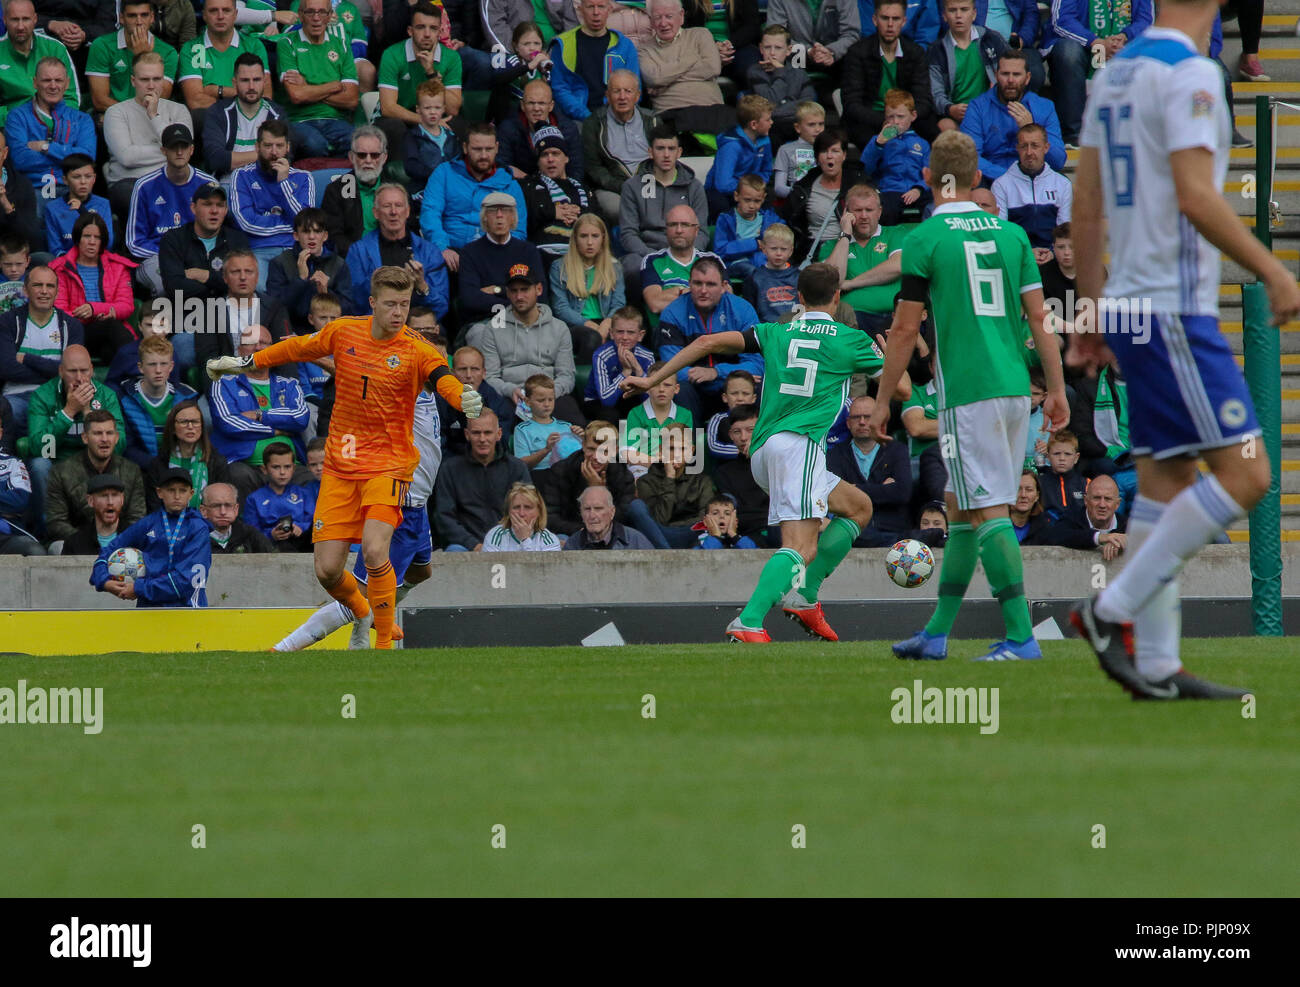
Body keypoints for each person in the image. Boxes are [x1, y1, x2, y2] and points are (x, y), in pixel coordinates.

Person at [1067, 0, 1300, 699]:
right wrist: (1273, 267)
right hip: (1172, 307)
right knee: (1249, 474)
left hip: (1134, 306)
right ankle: (1108, 610)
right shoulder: (1192, 73)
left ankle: (1160, 664)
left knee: (1165, 484)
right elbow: (1198, 198)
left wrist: (1089, 310)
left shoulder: (1115, 71)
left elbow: (1086, 203)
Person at [865, 129, 1069, 663]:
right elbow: (1040, 321)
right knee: (959, 510)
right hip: (1014, 390)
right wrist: (1058, 389)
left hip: (968, 394)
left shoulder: (924, 241)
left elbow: (905, 331)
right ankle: (935, 634)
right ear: (978, 178)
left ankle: (1023, 638)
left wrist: (884, 399)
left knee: (987, 511)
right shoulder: (1013, 236)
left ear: (928, 178)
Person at [206, 265, 483, 648]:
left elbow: (441, 376)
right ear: (373, 303)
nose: (399, 313)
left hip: (389, 465)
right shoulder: (345, 331)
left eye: (404, 304)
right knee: (329, 570)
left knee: (373, 551)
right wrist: (246, 363)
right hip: (342, 465)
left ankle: (383, 645)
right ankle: (364, 612)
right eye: (391, 305)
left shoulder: (415, 348)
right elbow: (297, 347)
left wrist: (462, 395)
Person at [624, 263, 895, 642]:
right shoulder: (851, 339)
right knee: (801, 546)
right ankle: (748, 621)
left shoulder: (775, 330)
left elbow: (705, 344)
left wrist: (651, 378)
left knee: (858, 506)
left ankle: (805, 595)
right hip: (798, 447)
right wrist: (891, 355)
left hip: (763, 449)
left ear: (798, 297)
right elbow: (899, 391)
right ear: (837, 297)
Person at [273, 368, 445, 650]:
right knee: (361, 596)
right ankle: (283, 649)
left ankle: (373, 613)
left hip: (419, 506)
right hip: (397, 501)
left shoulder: (430, 393)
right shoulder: (397, 396)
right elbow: (360, 373)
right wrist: (316, 355)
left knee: (420, 572)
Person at [208, 323, 311, 502]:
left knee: (311, 479)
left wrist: (260, 415)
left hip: (290, 468)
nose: (258, 347)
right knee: (237, 475)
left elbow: (300, 418)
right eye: (251, 343)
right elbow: (228, 423)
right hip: (246, 466)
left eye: (264, 343)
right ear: (239, 351)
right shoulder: (224, 382)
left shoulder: (289, 384)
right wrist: (276, 430)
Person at [472, 262, 584, 425]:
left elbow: (566, 375)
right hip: (511, 395)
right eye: (514, 291)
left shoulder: (559, 328)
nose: (519, 296)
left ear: (538, 289)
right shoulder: (493, 328)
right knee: (492, 421)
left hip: (550, 396)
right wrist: (510, 390)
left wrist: (548, 394)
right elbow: (490, 376)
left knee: (576, 424)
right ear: (508, 294)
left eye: (524, 290)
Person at [91, 467, 212, 608]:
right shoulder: (148, 524)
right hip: (149, 610)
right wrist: (104, 581)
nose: (177, 496)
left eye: (182, 490)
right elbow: (107, 551)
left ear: (191, 494)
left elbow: (189, 581)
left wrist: (139, 588)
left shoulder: (198, 528)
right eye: (171, 490)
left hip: (188, 610)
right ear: (159, 492)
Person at [657, 256, 763, 415]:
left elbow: (755, 365)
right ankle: (691, 440)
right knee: (679, 390)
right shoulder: (672, 313)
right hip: (693, 387)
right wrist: (697, 375)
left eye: (711, 284)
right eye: (697, 283)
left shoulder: (742, 310)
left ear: (723, 286)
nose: (703, 290)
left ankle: (754, 439)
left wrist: (716, 373)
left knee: (760, 386)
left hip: (732, 387)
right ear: (689, 284)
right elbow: (670, 367)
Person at [1045, 0, 1152, 148]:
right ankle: (1074, 133)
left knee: (1152, 53)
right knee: (1068, 53)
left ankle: (1137, 132)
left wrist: (1123, 37)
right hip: (1082, 43)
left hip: (1124, 44)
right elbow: (1062, 19)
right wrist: (1096, 42)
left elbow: (1146, 20)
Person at [420, 123, 528, 268]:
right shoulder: (444, 173)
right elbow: (430, 214)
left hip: (493, 255)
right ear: (465, 148)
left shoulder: (509, 183)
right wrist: (441, 248)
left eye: (489, 149)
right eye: (477, 149)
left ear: (496, 148)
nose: (483, 155)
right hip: (450, 253)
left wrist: (501, 253)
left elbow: (518, 229)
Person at [126, 124, 217, 296]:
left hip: (199, 257)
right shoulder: (144, 186)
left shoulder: (208, 184)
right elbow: (134, 242)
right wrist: (171, 256)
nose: (179, 152)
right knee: (167, 286)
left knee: (219, 284)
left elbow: (217, 234)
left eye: (184, 147)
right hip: (156, 257)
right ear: (163, 151)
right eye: (174, 147)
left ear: (192, 150)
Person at [618, 126, 709, 291]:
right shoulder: (632, 186)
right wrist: (653, 257)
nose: (666, 155)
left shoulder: (695, 187)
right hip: (644, 252)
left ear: (679, 152)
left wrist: (684, 255)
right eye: (660, 148)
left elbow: (701, 232)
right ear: (650, 152)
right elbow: (628, 233)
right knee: (631, 266)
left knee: (710, 269)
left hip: (684, 251)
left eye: (671, 149)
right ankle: (638, 315)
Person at [103, 52, 192, 220]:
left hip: (171, 180)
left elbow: (184, 155)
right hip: (130, 183)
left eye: (157, 79)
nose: (151, 86)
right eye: (144, 80)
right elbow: (127, 157)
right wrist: (169, 153)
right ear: (133, 81)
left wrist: (154, 116)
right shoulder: (116, 112)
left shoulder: (179, 110)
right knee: (134, 195)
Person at [345, 183, 449, 321]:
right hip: (375, 325)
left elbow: (441, 308)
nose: (393, 212)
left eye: (398, 205)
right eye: (387, 206)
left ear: (407, 212)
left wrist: (422, 285)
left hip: (417, 328)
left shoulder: (429, 252)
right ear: (376, 213)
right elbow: (353, 305)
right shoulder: (359, 251)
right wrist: (376, 282)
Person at [841, 0, 938, 148]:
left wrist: (903, 119)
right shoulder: (857, 52)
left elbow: (924, 100)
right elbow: (852, 104)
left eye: (896, 19)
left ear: (904, 21)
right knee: (874, 141)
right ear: (875, 20)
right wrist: (888, 120)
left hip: (906, 118)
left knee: (935, 135)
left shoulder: (915, 53)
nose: (890, 24)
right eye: (885, 18)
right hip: (869, 120)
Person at [230, 119, 315, 286]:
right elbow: (246, 223)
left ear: (288, 147)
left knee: (303, 291)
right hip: (259, 250)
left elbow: (306, 223)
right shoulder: (241, 176)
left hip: (294, 250)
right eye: (268, 146)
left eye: (279, 146)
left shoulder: (304, 177)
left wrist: (283, 183)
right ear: (257, 147)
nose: (274, 152)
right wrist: (288, 224)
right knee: (260, 293)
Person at [433, 408, 530, 551]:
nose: (482, 439)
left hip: (510, 542)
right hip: (466, 546)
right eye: (476, 433)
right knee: (455, 551)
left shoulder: (517, 468)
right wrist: (474, 545)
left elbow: (528, 510)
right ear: (467, 434)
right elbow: (444, 516)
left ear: (498, 434)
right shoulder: (450, 470)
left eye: (488, 433)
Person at [960, 50, 1064, 182]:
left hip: (1033, 179)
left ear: (1027, 78)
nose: (1010, 80)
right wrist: (1010, 179)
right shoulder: (977, 107)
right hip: (990, 180)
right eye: (1005, 74)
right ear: (996, 75)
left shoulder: (1044, 107)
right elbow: (970, 158)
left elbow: (1058, 161)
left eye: (1016, 74)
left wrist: (1030, 128)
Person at [43, 408, 144, 544]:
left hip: (120, 543)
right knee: (58, 547)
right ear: (85, 437)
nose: (104, 439)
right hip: (76, 543)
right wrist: (89, 541)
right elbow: (56, 522)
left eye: (109, 433)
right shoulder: (61, 472)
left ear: (116, 438)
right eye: (97, 433)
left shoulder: (132, 470)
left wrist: (114, 542)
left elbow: (136, 518)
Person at [0, 266, 83, 429]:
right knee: (9, 413)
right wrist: (57, 372)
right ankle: (9, 454)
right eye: (38, 285)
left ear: (57, 292)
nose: (44, 291)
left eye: (50, 286)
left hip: (58, 397)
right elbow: (7, 369)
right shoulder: (7, 322)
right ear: (25, 290)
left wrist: (28, 359)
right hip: (17, 396)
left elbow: (74, 372)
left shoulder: (72, 326)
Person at [49, 213, 138, 363]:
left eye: (97, 238)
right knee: (112, 328)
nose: (92, 242)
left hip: (107, 333)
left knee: (110, 352)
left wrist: (94, 309)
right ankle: (137, 373)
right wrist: (86, 315)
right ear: (78, 238)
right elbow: (59, 311)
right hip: (75, 332)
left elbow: (126, 306)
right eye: (86, 236)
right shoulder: (61, 268)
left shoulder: (118, 267)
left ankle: (124, 382)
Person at [377, 0, 464, 150]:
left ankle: (450, 171)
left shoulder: (451, 58)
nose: (427, 34)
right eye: (420, 27)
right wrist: (424, 121)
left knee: (458, 124)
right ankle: (400, 172)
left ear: (440, 31)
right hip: (401, 117)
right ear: (410, 31)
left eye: (433, 28)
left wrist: (431, 73)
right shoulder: (392, 54)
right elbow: (388, 107)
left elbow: (452, 109)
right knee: (392, 125)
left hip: (434, 114)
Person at [276, 0, 359, 158]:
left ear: (329, 16)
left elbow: (352, 99)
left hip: (336, 120)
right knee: (315, 144)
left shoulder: (341, 44)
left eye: (322, 12)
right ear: (301, 15)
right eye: (310, 12)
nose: (316, 18)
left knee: (357, 141)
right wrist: (333, 86)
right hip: (299, 121)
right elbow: (297, 96)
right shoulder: (286, 43)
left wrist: (307, 86)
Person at [818, 183, 904, 334]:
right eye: (858, 210)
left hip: (895, 319)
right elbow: (833, 280)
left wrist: (851, 283)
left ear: (879, 212)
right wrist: (845, 234)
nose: (864, 216)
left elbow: (897, 266)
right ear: (846, 213)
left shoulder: (895, 233)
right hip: (853, 323)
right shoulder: (831, 246)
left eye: (869, 210)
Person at [827, 394, 913, 546]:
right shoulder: (835, 454)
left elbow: (902, 492)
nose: (861, 422)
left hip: (891, 530)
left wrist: (854, 489)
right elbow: (837, 497)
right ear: (848, 423)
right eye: (856, 417)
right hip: (852, 532)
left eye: (867, 417)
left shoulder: (897, 450)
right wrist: (882, 490)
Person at [3, 57, 94, 199]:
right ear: (35, 83)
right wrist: (68, 156)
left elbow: (86, 159)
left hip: (72, 190)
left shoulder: (82, 119)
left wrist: (46, 148)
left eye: (58, 80)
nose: (53, 86)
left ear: (67, 84)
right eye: (46, 80)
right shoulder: (17, 116)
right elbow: (20, 159)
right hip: (31, 190)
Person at [455, 192, 546, 326]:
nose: (499, 215)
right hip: (485, 322)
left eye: (505, 210)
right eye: (492, 211)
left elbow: (540, 296)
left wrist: (498, 290)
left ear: (513, 217)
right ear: (485, 217)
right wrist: (519, 303)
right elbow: (470, 299)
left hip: (524, 322)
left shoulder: (529, 251)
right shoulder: (470, 252)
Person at [193, 249, 293, 369]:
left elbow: (284, 354)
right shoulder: (209, 311)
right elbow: (208, 360)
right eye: (235, 272)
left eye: (249, 271)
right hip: (227, 381)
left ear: (257, 277)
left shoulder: (275, 308)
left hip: (267, 379)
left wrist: (285, 386)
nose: (243, 277)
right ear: (225, 277)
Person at [581, 69, 657, 226]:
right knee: (619, 210)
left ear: (637, 96)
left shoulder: (653, 121)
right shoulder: (594, 123)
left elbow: (663, 158)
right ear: (607, 95)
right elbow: (593, 168)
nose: (622, 97)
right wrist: (623, 187)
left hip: (648, 185)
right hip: (612, 189)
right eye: (616, 91)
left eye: (628, 91)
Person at [158, 182, 250, 311]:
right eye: (207, 204)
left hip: (228, 316)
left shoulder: (237, 240)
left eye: (220, 205)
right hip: (187, 317)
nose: (214, 211)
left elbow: (243, 284)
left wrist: (204, 275)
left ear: (226, 210)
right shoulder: (173, 239)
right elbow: (174, 287)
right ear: (193, 208)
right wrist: (219, 285)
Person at [638, 0, 727, 131]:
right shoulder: (644, 49)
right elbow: (655, 79)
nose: (663, 23)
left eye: (669, 16)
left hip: (711, 109)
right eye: (657, 17)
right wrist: (692, 58)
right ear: (650, 21)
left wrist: (665, 82)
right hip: (671, 114)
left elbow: (712, 68)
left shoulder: (701, 35)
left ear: (681, 16)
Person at [540, 419, 640, 536]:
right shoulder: (561, 471)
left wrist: (600, 491)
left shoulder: (623, 476)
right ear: (583, 446)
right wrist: (582, 531)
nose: (596, 457)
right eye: (591, 449)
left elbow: (623, 517)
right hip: (571, 533)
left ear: (615, 451)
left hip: (609, 535)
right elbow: (549, 516)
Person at [178, 0, 272, 120]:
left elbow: (265, 96)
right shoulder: (192, 49)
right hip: (212, 120)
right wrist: (244, 96)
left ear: (235, 14)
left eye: (226, 10)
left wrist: (218, 90)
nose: (220, 16)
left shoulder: (254, 46)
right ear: (204, 15)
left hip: (251, 121)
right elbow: (196, 101)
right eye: (213, 11)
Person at [782, 129, 864, 266]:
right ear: (817, 157)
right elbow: (790, 223)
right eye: (824, 151)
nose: (829, 156)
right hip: (815, 251)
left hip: (852, 248)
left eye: (835, 151)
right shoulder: (803, 187)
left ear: (844, 155)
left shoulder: (859, 183)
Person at [548, 0, 640, 122]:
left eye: (601, 6)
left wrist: (611, 116)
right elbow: (560, 88)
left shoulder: (624, 45)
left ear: (609, 10)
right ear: (581, 10)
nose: (596, 12)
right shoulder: (563, 44)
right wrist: (587, 117)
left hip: (617, 117)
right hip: (576, 118)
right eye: (590, 6)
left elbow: (635, 88)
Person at [201, 52, 288, 181]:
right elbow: (216, 159)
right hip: (228, 184)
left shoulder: (277, 114)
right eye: (245, 80)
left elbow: (286, 156)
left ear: (264, 81)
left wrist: (235, 158)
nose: (251, 86)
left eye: (256, 80)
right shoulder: (218, 112)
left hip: (267, 184)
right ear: (234, 82)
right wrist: (268, 154)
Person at [267, 207, 353, 334]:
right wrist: (300, 280)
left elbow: (349, 310)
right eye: (306, 232)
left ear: (325, 236)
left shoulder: (338, 264)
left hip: (328, 333)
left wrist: (326, 293)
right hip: (291, 333)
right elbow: (274, 308)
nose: (312, 237)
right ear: (296, 235)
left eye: (317, 232)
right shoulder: (279, 263)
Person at [550, 213, 626, 353]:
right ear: (575, 239)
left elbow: (619, 304)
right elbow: (561, 308)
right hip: (576, 325)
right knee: (591, 338)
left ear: (603, 238)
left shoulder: (614, 267)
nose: (589, 242)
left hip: (606, 322)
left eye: (595, 236)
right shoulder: (559, 267)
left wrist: (607, 323)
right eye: (584, 236)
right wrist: (588, 324)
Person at [119, 335, 198, 470]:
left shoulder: (187, 397)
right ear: (141, 367)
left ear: (171, 366)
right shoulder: (125, 397)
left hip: (178, 468)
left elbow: (191, 442)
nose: (158, 370)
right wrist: (157, 466)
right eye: (152, 364)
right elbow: (127, 447)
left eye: (163, 364)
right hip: (141, 469)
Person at [86, 0, 180, 113]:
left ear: (152, 17)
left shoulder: (168, 52)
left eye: (144, 15)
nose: (139, 22)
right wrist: (131, 116)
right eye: (132, 16)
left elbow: (161, 98)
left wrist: (144, 57)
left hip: (150, 117)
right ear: (121, 18)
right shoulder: (101, 46)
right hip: (113, 114)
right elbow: (100, 101)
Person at [992, 123, 1071, 257]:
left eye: (1035, 146)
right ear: (1017, 148)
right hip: (1017, 257)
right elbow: (1002, 232)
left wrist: (1052, 254)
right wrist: (1027, 253)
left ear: (1046, 148)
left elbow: (1064, 230)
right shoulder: (1001, 184)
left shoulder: (1062, 183)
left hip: (1053, 258)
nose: (1029, 152)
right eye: (1024, 146)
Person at [0, 1, 81, 129]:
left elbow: (72, 98)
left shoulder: (55, 48)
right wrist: (21, 119)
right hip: (11, 127)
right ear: (4, 20)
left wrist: (51, 122)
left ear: (35, 19)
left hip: (56, 125)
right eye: (15, 20)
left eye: (25, 19)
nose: (20, 26)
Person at [635, 421, 715, 547]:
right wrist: (669, 477)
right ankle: (666, 551)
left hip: (691, 534)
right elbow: (659, 520)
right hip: (659, 535)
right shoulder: (646, 481)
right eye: (671, 448)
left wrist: (677, 526)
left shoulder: (702, 481)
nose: (677, 454)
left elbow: (705, 519)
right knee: (636, 507)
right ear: (661, 450)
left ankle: (666, 551)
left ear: (691, 451)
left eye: (682, 448)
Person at [860, 89, 932, 226]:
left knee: (934, 206)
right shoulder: (878, 140)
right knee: (886, 209)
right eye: (890, 117)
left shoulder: (922, 144)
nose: (895, 122)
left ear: (913, 116)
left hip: (916, 190)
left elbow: (930, 172)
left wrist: (919, 189)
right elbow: (865, 169)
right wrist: (878, 144)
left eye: (900, 116)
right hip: (891, 190)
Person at [520, 130, 592, 264]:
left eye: (556, 153)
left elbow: (599, 220)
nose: (550, 159)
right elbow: (524, 219)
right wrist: (552, 212)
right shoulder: (528, 186)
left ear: (566, 158)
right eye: (544, 155)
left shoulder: (583, 188)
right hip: (544, 253)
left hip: (582, 251)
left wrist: (580, 214)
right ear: (538, 162)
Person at [319, 127, 389, 261]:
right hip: (352, 259)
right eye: (362, 155)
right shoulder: (336, 190)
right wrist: (360, 255)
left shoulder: (395, 190)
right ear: (351, 157)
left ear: (384, 157)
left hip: (389, 258)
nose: (368, 160)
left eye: (374, 155)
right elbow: (333, 236)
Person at [148, 399, 230, 509]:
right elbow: (154, 507)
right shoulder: (158, 464)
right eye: (184, 422)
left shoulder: (217, 462)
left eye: (195, 421)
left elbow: (220, 505)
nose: (190, 426)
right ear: (172, 428)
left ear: (202, 426)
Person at [498, 79, 584, 182]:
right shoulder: (508, 129)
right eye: (531, 103)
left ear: (551, 106)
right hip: (522, 188)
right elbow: (502, 166)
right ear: (522, 106)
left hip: (561, 189)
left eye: (542, 103)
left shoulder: (567, 129)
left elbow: (576, 170)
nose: (536, 108)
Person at [704, 96, 774, 223]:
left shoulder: (765, 141)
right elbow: (723, 184)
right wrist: (747, 190)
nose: (772, 122)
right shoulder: (731, 145)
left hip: (749, 189)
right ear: (754, 124)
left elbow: (767, 170)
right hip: (723, 192)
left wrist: (755, 187)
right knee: (720, 205)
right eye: (768, 119)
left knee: (770, 197)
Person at [439, 344, 516, 456]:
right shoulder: (440, 402)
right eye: (462, 369)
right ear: (452, 373)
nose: (469, 375)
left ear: (484, 373)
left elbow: (501, 446)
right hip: (453, 467)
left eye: (474, 369)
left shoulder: (499, 404)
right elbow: (441, 446)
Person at [747, 25, 816, 144]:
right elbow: (770, 101)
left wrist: (778, 108)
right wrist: (780, 72)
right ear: (761, 49)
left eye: (778, 48)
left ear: (789, 50)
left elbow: (808, 106)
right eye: (767, 47)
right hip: (770, 128)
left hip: (796, 126)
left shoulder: (800, 74)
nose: (772, 53)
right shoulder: (755, 72)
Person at [243, 440, 315, 551]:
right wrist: (270, 534)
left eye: (287, 467)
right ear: (264, 469)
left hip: (302, 542)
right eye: (276, 467)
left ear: (294, 468)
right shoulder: (254, 499)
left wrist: (300, 526)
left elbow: (312, 520)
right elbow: (251, 531)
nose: (282, 472)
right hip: (270, 546)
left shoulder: (304, 494)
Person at [585, 305, 652, 414]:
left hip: (630, 399)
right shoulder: (601, 355)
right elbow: (607, 401)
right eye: (620, 331)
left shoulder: (647, 356)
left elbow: (651, 400)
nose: (625, 337)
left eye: (631, 332)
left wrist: (638, 370)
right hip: (597, 402)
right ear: (611, 333)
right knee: (610, 413)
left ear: (640, 335)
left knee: (642, 411)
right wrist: (625, 372)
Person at [45, 153, 114, 257]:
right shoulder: (53, 208)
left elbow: (107, 244)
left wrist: (84, 213)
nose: (83, 182)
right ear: (65, 180)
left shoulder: (102, 204)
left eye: (88, 176)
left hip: (96, 261)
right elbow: (55, 249)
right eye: (76, 177)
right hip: (66, 264)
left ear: (94, 179)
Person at [512, 373, 584, 470]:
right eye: (541, 400)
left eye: (551, 399)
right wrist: (546, 450)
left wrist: (582, 439)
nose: (547, 404)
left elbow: (579, 458)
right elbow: (522, 465)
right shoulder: (522, 430)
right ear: (528, 402)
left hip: (566, 474)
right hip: (540, 474)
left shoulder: (567, 426)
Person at [765, 0, 860, 73]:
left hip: (835, 57)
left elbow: (851, 34)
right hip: (796, 56)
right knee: (776, 55)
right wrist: (808, 51)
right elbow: (775, 36)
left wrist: (831, 51)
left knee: (856, 58)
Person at [403, 79, 459, 196]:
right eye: (427, 108)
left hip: (450, 187)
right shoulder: (412, 136)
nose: (433, 112)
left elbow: (459, 161)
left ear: (444, 109)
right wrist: (438, 174)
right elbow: (411, 166)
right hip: (422, 188)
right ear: (418, 109)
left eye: (437, 108)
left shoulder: (451, 136)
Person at [562, 483, 654, 549]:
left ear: (612, 512)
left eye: (598, 508)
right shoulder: (573, 544)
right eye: (587, 509)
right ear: (581, 513)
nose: (592, 515)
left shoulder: (635, 541)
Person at [60, 472, 128, 556]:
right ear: (90, 501)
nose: (110, 502)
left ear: (122, 499)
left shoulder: (137, 539)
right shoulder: (75, 542)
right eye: (103, 496)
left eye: (114, 495)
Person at [482, 481, 564, 550]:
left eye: (528, 507)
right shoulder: (495, 536)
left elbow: (541, 569)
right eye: (516, 507)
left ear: (539, 511)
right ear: (508, 512)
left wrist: (525, 540)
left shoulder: (550, 540)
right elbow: (492, 568)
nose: (521, 513)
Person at [744, 224, 800, 323]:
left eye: (783, 249)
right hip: (767, 331)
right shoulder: (754, 278)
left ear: (791, 250)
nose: (778, 253)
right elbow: (750, 312)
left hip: (795, 330)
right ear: (764, 249)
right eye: (773, 248)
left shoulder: (799, 277)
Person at [201, 480, 275, 554]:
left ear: (236, 509)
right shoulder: (194, 538)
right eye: (216, 506)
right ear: (203, 511)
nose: (223, 512)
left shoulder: (249, 534)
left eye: (228, 505)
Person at [772, 101, 824, 200]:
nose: (818, 129)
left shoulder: (829, 149)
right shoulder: (785, 150)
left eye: (821, 124)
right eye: (811, 124)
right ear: (798, 127)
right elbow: (779, 188)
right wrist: (801, 194)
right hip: (799, 201)